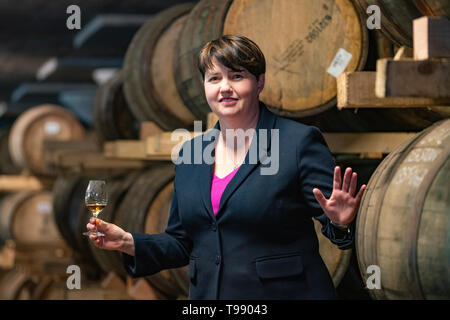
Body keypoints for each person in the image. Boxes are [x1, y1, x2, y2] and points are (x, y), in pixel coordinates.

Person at [86, 35, 366, 299]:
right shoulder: (190, 154)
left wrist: (341, 223)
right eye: (214, 78)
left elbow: (339, 232)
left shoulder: (297, 142)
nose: (225, 88)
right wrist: (127, 241)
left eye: (237, 76)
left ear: (259, 82)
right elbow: (182, 242)